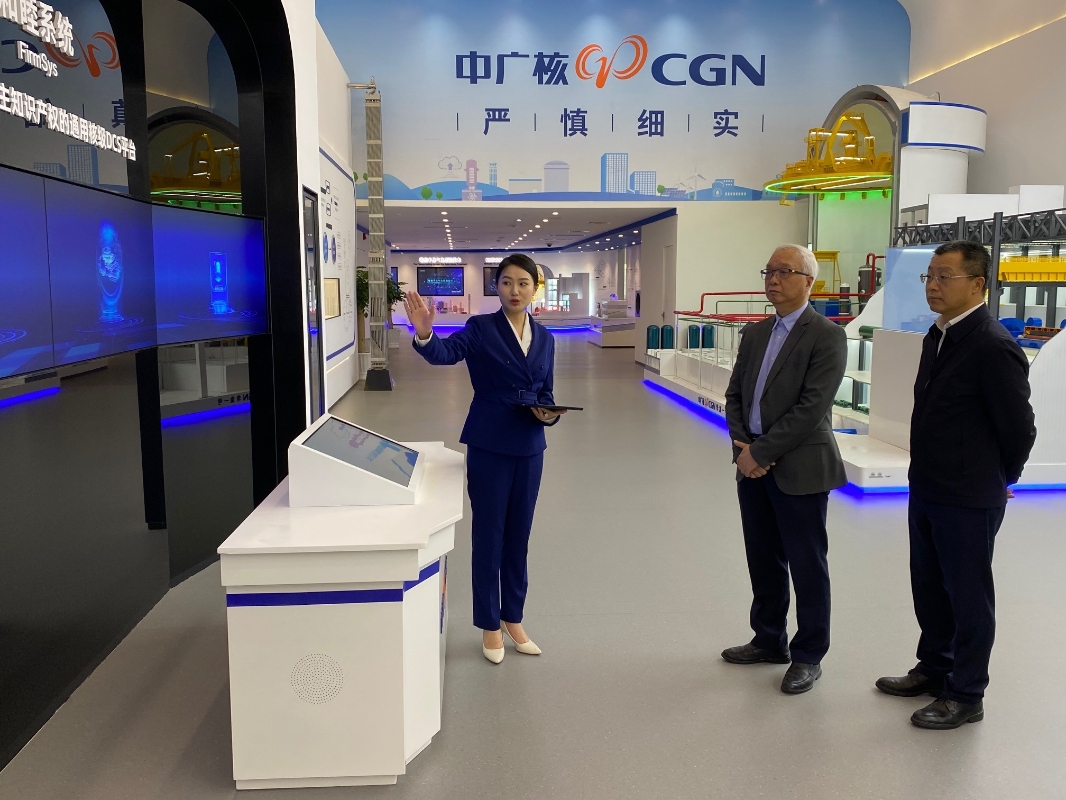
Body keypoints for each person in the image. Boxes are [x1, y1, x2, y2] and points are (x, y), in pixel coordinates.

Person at [876, 241, 1036, 729]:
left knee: (968, 597)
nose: (933, 285)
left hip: (968, 496)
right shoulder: (938, 335)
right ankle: (935, 667)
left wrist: (1001, 478)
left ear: (978, 284)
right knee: (929, 587)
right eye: (929, 276)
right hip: (928, 487)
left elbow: (1019, 428)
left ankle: (966, 693)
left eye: (945, 276)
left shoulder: (992, 345)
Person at [404, 253, 566, 664]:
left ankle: (514, 617)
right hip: (490, 442)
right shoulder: (481, 327)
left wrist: (548, 412)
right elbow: (445, 353)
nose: (515, 291)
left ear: (535, 288)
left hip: (530, 445)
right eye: (507, 282)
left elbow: (546, 390)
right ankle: (490, 624)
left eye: (523, 283)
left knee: (519, 535)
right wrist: (425, 334)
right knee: (489, 536)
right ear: (497, 286)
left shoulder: (545, 338)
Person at [722, 244, 848, 694]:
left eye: (784, 272)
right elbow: (735, 395)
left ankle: (808, 654)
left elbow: (812, 408)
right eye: (768, 271)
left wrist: (761, 452)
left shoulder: (827, 336)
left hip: (801, 467)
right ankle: (768, 639)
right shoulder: (755, 334)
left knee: (807, 563)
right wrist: (743, 446)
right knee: (763, 558)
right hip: (751, 464)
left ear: (808, 282)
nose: (773, 279)